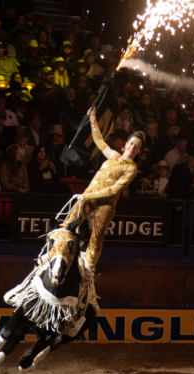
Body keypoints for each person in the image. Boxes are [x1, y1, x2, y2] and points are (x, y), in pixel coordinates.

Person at [61, 107, 144, 271]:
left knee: (96, 238)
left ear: (139, 151)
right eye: (132, 143)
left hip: (105, 204)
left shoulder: (132, 168)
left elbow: (114, 190)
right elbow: (99, 141)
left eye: (137, 146)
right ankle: (59, 256)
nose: (133, 147)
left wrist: (89, 196)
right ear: (125, 144)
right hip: (88, 196)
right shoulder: (113, 155)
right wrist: (93, 121)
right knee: (67, 225)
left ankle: (88, 270)